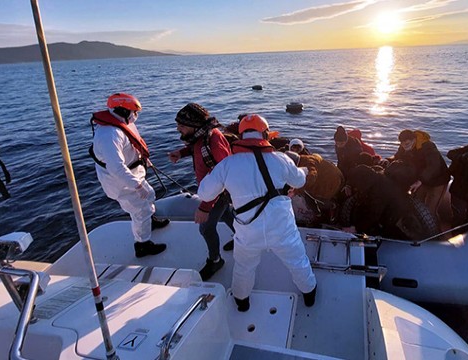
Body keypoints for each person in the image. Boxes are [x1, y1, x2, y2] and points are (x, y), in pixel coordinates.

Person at [198, 114, 317, 312]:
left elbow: (204, 192)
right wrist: (303, 170)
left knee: (244, 267)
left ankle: (242, 301)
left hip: (248, 231)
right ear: (266, 134)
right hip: (282, 228)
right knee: (297, 261)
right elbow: (299, 181)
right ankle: (310, 294)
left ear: (241, 136)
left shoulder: (227, 165)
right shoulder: (281, 159)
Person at [90, 93, 169, 258]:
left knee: (150, 195)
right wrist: (136, 185)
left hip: (134, 173)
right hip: (121, 181)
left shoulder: (123, 123)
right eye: (133, 112)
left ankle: (150, 222)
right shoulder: (109, 135)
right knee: (140, 210)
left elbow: (133, 144)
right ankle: (142, 245)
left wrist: (144, 161)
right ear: (122, 110)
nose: (136, 115)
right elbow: (116, 167)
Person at [167, 103, 235, 280]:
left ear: (194, 125)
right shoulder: (200, 136)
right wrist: (181, 153)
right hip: (214, 192)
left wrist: (205, 208)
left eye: (181, 126)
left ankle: (215, 261)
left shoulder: (213, 140)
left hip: (220, 192)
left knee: (205, 228)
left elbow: (222, 177)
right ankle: (242, 238)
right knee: (227, 213)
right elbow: (196, 147)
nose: (178, 129)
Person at [389, 129, 450, 221]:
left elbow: (434, 166)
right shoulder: (404, 147)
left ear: (414, 140)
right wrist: (388, 161)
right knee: (416, 205)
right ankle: (419, 229)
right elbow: (398, 157)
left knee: (430, 210)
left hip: (438, 180)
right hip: (422, 179)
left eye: (407, 144)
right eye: (402, 144)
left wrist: (420, 181)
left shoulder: (427, 146)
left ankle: (436, 233)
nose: (405, 146)